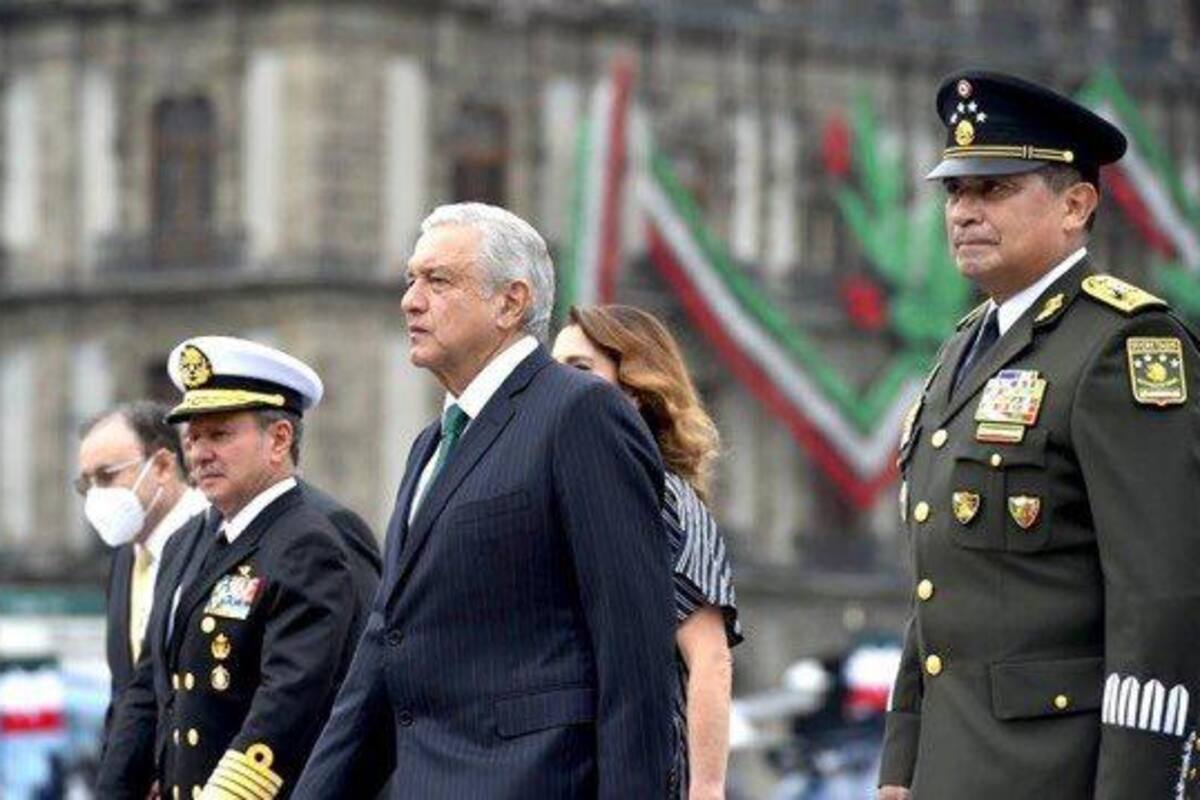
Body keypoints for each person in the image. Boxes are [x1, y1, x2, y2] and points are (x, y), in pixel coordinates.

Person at [878, 70, 1200, 799]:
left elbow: (1160, 600)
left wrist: (1137, 787)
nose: (964, 212)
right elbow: (941, 582)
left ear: (1076, 204)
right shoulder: (962, 350)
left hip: (1058, 771)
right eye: (956, 192)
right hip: (950, 771)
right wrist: (900, 767)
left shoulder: (1122, 346)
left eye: (994, 189)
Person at [294, 203, 675, 799]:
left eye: (438, 280)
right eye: (410, 280)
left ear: (510, 303)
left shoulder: (579, 413)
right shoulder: (431, 445)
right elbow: (383, 647)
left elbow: (635, 649)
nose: (410, 301)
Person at [96, 336, 360, 800]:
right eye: (192, 437)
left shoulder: (309, 542)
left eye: (219, 435)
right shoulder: (187, 543)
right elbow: (149, 691)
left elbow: (287, 706)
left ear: (279, 439)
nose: (199, 453)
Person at [552, 304, 743, 799]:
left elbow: (710, 659)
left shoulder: (664, 501)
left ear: (634, 392)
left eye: (579, 370)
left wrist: (706, 789)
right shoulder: (551, 493)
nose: (556, 386)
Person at [77, 401, 208, 755]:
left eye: (106, 477)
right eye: (85, 484)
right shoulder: (125, 558)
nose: (95, 497)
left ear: (163, 465)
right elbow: (124, 694)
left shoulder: (216, 541)